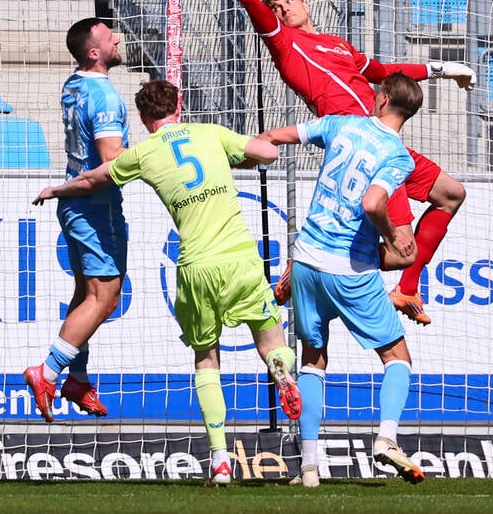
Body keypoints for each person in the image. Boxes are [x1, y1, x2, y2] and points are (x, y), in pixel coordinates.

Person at [33, 79, 301, 485]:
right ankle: (281, 369)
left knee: (207, 360)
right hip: (241, 259)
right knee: (271, 341)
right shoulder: (210, 133)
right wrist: (232, 158)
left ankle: (220, 462)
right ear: (180, 105)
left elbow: (91, 180)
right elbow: (268, 152)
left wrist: (56, 190)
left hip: (196, 267)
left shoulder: (143, 153)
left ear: (143, 118)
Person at [212, 0, 475, 326]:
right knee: (400, 250)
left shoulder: (338, 44)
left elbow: (384, 72)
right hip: (358, 146)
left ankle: (405, 289)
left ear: (305, 2)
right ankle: (307, 265)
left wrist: (442, 69)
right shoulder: (284, 42)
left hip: (384, 139)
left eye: (288, 1)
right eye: (277, 7)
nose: (282, 10)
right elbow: (250, 0)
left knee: (452, 194)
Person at [258, 73, 427, 487]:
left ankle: (309, 468)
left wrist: (251, 151)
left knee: (313, 360)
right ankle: (386, 438)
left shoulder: (342, 124)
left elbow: (279, 136)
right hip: (350, 268)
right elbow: (372, 203)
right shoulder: (398, 156)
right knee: (397, 357)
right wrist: (391, 234)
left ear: (382, 98)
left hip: (305, 261)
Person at [23, 17, 129, 422]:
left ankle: (78, 378)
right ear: (94, 52)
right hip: (96, 205)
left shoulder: (74, 84)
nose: (117, 38)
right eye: (108, 36)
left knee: (86, 294)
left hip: (75, 203)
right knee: (106, 298)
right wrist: (155, 155)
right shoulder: (105, 96)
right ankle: (48, 372)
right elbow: (111, 161)